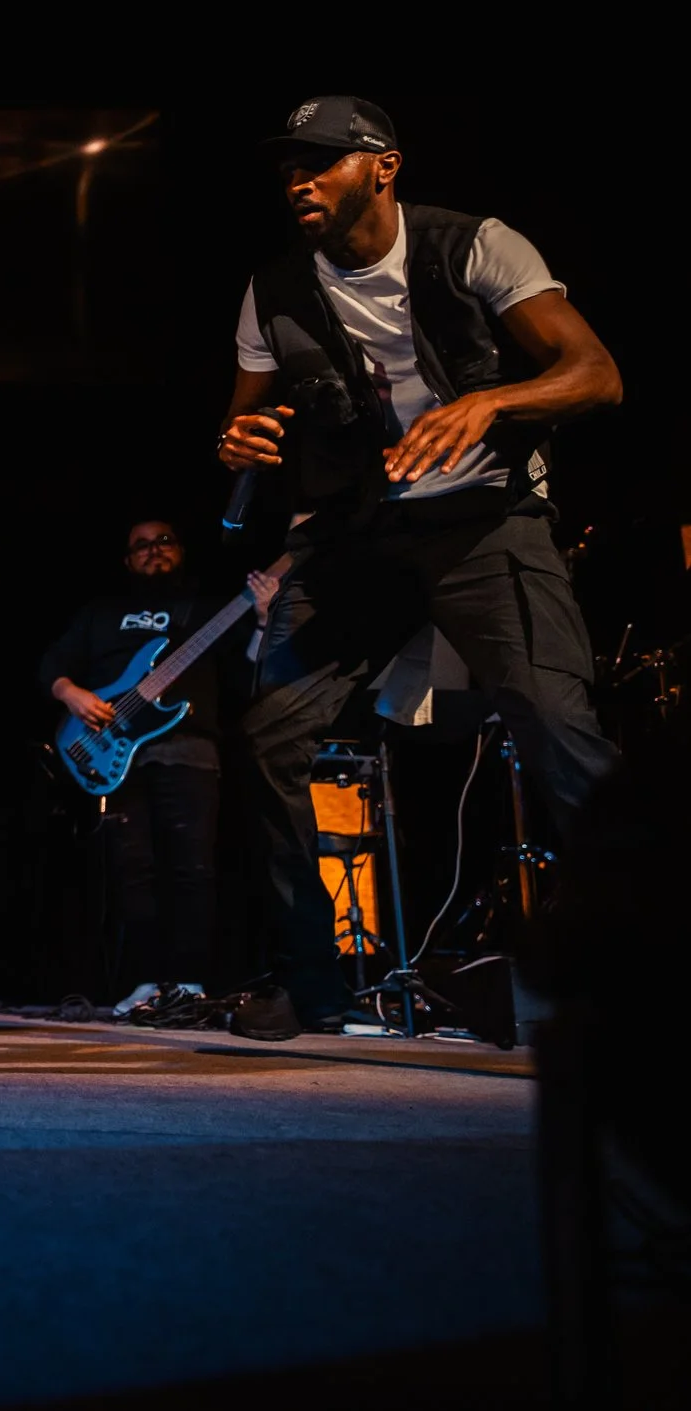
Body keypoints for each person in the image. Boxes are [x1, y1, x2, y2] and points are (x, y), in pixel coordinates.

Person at [219, 96, 624, 1035]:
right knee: (271, 737)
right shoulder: (272, 288)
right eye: (290, 167)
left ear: (383, 166)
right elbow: (242, 422)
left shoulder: (474, 246)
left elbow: (597, 375)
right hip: (358, 534)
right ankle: (313, 983)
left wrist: (492, 404)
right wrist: (236, 441)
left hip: (483, 520)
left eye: (321, 161)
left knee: (556, 722)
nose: (300, 180)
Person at [41, 519, 274, 1019]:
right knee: (133, 871)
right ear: (128, 560)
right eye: (142, 545)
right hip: (112, 755)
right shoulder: (101, 613)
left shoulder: (205, 611)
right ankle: (144, 982)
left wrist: (260, 619)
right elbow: (52, 664)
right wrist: (73, 694)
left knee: (192, 869)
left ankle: (188, 982)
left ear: (181, 551)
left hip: (189, 749)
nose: (154, 550)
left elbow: (249, 673)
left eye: (164, 541)